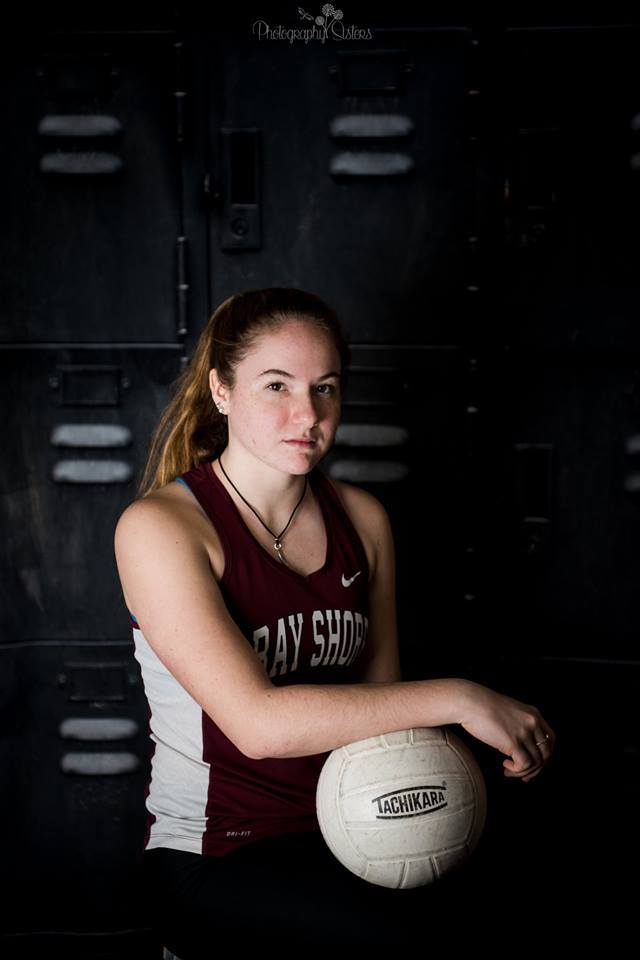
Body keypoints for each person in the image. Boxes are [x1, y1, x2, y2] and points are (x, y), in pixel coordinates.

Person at [113, 288, 556, 955]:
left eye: (326, 387)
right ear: (222, 391)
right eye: (276, 385)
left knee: (522, 904)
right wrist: (466, 699)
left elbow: (382, 712)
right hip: (216, 852)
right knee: (406, 942)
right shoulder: (163, 529)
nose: (308, 413)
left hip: (355, 830)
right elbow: (257, 726)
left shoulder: (363, 520)